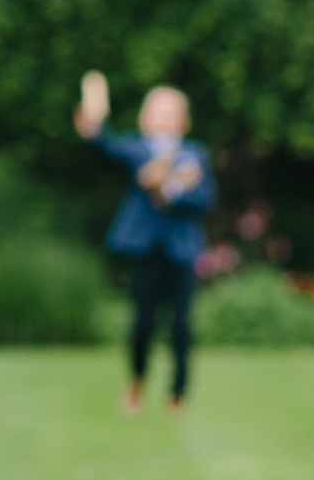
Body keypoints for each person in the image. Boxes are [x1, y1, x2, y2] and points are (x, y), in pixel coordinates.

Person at [73, 71, 215, 414]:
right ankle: (136, 382)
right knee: (143, 322)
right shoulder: (136, 148)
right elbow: (104, 145)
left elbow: (205, 199)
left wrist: (166, 190)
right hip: (146, 248)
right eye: (158, 113)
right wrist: (93, 125)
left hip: (182, 248)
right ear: (144, 118)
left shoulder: (195, 155)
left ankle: (178, 393)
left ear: (184, 121)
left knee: (182, 325)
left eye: (171, 113)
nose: (164, 120)